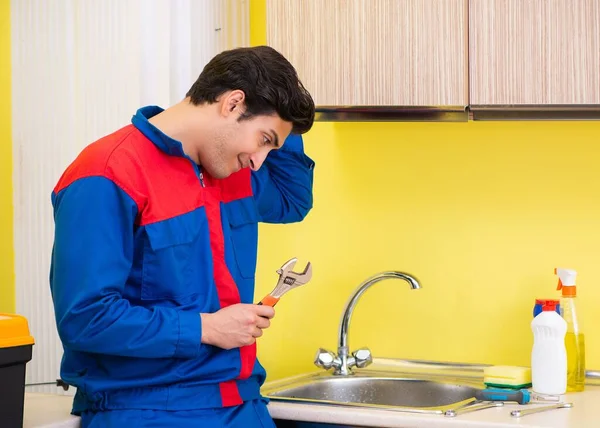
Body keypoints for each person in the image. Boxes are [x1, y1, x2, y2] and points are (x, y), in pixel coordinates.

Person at [49, 45, 316, 427]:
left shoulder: (232, 168)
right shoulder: (106, 174)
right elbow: (86, 319)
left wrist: (283, 113)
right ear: (233, 103)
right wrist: (207, 328)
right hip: (149, 411)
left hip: (243, 404)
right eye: (264, 139)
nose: (260, 162)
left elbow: (293, 200)